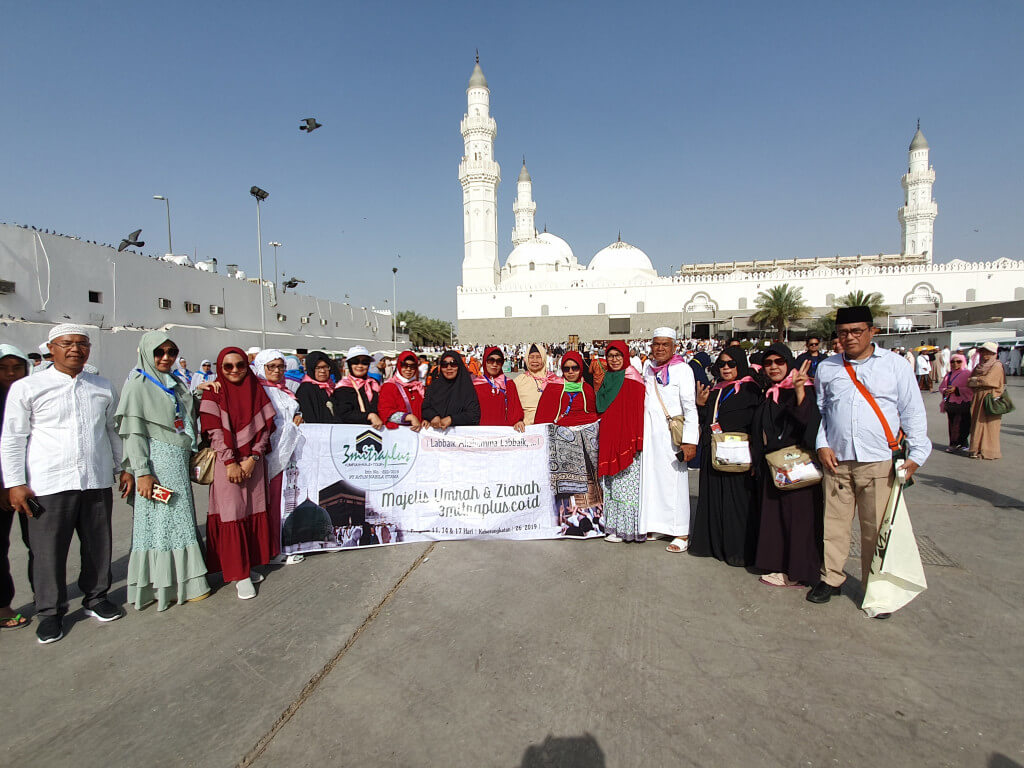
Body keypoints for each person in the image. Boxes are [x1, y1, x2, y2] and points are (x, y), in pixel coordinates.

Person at [0, 324, 133, 644]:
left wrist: (123, 467)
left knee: (98, 544)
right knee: (48, 551)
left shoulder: (101, 386)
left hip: (96, 479)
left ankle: (96, 597)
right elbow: (13, 437)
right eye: (67, 343)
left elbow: (113, 430)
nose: (75, 349)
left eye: (82, 344)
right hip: (49, 482)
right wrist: (15, 482)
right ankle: (50, 612)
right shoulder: (29, 387)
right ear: (52, 348)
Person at [809, 306, 931, 615]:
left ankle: (874, 586)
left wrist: (917, 454)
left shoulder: (895, 366)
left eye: (856, 331)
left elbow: (912, 411)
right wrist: (823, 444)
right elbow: (822, 412)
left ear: (872, 332)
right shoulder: (827, 367)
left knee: (874, 529)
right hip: (837, 460)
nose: (849, 338)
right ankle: (832, 579)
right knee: (834, 525)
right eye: (842, 333)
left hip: (878, 461)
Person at [116, 332, 210, 610]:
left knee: (179, 520)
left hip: (177, 461)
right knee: (162, 522)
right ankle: (168, 585)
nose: (166, 357)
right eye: (159, 352)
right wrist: (142, 471)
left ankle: (183, 581)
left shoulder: (175, 381)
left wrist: (200, 391)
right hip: (157, 462)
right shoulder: (137, 384)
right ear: (146, 352)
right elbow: (133, 432)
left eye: (171, 352)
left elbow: (183, 412)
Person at [199, 347, 277, 599]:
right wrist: (231, 462)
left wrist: (254, 457)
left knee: (252, 511)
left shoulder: (257, 390)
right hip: (227, 465)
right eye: (227, 367)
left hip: (253, 463)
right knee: (232, 514)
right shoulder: (214, 394)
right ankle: (239, 573)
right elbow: (214, 432)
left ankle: (248, 564)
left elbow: (265, 428)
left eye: (240, 365)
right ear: (220, 368)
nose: (234, 371)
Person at [751, 344, 822, 587]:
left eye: (779, 362)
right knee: (778, 519)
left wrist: (800, 390)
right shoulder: (771, 391)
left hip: (797, 466)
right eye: (768, 362)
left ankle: (799, 572)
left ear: (788, 362)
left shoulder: (800, 389)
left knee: (799, 520)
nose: (773, 367)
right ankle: (782, 566)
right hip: (775, 467)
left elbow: (809, 424)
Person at [689, 346, 761, 566]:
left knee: (736, 503)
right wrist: (701, 405)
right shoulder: (716, 389)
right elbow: (707, 420)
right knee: (714, 500)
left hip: (738, 455)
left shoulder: (751, 390)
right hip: (714, 452)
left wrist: (756, 458)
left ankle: (736, 550)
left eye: (731, 364)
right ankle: (713, 545)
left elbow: (757, 426)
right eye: (722, 364)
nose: (726, 368)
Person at [640, 328, 699, 553]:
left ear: (674, 347)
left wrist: (690, 441)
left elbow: (690, 408)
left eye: (665, 344)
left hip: (673, 437)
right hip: (651, 436)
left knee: (675, 483)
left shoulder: (683, 370)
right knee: (653, 482)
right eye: (657, 344)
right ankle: (658, 525)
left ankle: (681, 532)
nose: (660, 348)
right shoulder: (648, 369)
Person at [253, 349, 304, 565]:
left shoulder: (284, 391)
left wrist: (297, 420)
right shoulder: (257, 391)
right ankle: (272, 550)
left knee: (284, 502)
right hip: (270, 455)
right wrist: (292, 426)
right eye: (271, 366)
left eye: (280, 366)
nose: (276, 371)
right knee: (271, 503)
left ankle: (281, 544)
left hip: (288, 453)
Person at [596, 341, 646, 542]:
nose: (614, 359)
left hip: (627, 438)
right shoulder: (608, 377)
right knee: (611, 483)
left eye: (618, 355)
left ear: (625, 356)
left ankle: (627, 529)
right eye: (610, 355)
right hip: (609, 434)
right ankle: (612, 525)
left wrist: (635, 440)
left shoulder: (633, 378)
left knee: (625, 485)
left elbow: (638, 412)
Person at [0, 345, 32, 630]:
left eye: (17, 367)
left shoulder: (29, 395)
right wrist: (6, 484)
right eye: (4, 367)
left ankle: (46, 594)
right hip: (3, 488)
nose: (11, 373)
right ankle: (2, 605)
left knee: (37, 541)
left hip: (31, 485)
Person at [534, 351, 597, 427]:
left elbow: (592, 412)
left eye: (575, 368)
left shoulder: (587, 388)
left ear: (581, 368)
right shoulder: (553, 387)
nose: (571, 372)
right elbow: (542, 416)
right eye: (566, 369)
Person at [422, 350, 480, 429]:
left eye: (453, 364)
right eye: (444, 365)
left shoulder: (466, 387)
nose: (449, 368)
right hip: (436, 438)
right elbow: (425, 408)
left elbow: (474, 415)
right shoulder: (434, 387)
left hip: (460, 438)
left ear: (459, 366)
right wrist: (433, 416)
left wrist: (452, 419)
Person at [967, 341, 1005, 461]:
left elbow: (989, 381)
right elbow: (969, 381)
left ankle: (987, 451)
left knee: (989, 425)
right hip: (978, 397)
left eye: (988, 352)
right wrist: (978, 380)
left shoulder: (997, 366)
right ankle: (975, 449)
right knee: (976, 423)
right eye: (983, 351)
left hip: (990, 398)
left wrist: (976, 380)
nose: (985, 355)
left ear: (993, 353)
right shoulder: (979, 366)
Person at [474, 346, 525, 431]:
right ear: (484, 362)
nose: (495, 364)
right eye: (491, 360)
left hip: (504, 432)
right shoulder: (476, 385)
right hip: (481, 432)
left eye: (499, 361)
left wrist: (518, 421)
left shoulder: (509, 383)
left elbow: (515, 406)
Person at [333, 346, 384, 427]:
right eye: (355, 361)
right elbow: (344, 414)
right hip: (353, 433)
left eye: (365, 362)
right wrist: (369, 416)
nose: (360, 366)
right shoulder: (343, 387)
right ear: (349, 364)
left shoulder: (373, 383)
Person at [513, 343, 559, 425]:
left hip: (551, 427)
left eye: (538, 357)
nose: (534, 361)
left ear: (544, 359)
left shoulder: (555, 380)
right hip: (527, 428)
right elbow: (512, 406)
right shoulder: (519, 381)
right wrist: (517, 420)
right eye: (531, 357)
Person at [378, 351, 425, 430]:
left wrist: (426, 419)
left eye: (412, 366)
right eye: (404, 365)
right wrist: (408, 417)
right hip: (399, 434)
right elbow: (384, 412)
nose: (408, 369)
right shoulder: (389, 386)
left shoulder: (419, 387)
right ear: (399, 366)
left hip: (418, 433)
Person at [939, 353, 973, 453]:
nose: (955, 364)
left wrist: (957, 389)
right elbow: (941, 387)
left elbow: (971, 389)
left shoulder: (967, 373)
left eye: (958, 361)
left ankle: (962, 442)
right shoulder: (949, 374)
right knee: (953, 424)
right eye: (953, 362)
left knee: (964, 423)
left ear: (963, 362)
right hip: (951, 403)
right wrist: (946, 390)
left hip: (963, 402)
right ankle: (955, 443)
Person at [296, 351, 339, 424]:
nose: (322, 371)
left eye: (325, 367)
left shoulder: (331, 386)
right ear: (311, 369)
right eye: (318, 368)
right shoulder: (306, 389)